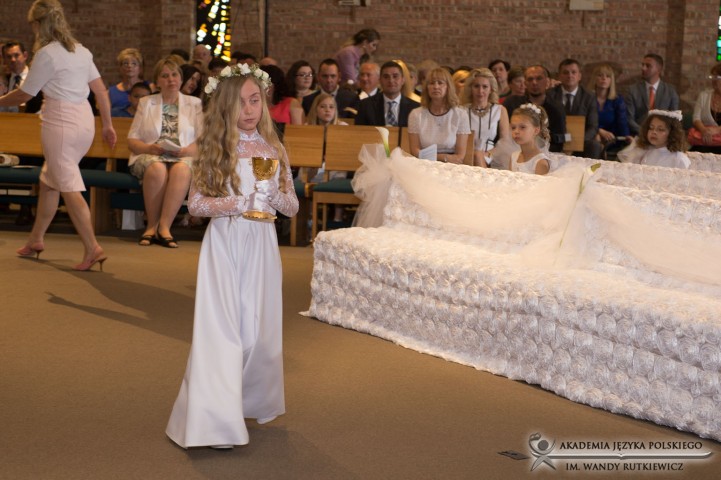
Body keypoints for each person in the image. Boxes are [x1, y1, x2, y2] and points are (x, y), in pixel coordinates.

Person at [166, 62, 299, 449]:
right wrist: (241, 202)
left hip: (262, 245)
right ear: (225, 105)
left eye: (255, 100)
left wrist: (271, 196)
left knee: (256, 331)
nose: (249, 109)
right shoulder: (214, 147)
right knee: (222, 331)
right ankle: (215, 421)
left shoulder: (274, 148)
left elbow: (292, 207)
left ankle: (247, 399)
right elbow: (196, 205)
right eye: (240, 103)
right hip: (224, 244)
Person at [0, 0, 116, 270]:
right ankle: (36, 239)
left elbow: (25, 94)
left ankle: (92, 247)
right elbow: (101, 91)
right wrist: (108, 125)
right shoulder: (81, 50)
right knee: (50, 181)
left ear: (39, 24)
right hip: (85, 122)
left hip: (61, 123)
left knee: (68, 185)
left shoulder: (47, 54)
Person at [127, 56, 203, 248]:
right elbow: (132, 139)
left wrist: (187, 150)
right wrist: (149, 148)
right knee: (157, 168)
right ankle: (151, 226)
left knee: (182, 170)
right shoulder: (146, 102)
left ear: (181, 78)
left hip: (183, 155)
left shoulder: (194, 103)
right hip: (151, 154)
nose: (171, 79)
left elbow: (202, 140)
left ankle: (165, 227)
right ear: (157, 82)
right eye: (165, 76)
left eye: (174, 74)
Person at [408, 67, 470, 163]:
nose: (436, 87)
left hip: (451, 165)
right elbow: (415, 151)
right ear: (427, 88)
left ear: (448, 87)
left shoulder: (460, 115)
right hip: (424, 163)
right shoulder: (416, 114)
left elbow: (460, 156)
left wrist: (438, 158)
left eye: (440, 83)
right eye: (432, 83)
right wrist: (443, 157)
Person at [546, 58, 602, 158]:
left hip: (581, 141)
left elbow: (593, 126)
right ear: (559, 76)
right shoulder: (550, 95)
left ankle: (589, 169)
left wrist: (576, 143)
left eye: (573, 72)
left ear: (579, 76)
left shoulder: (589, 96)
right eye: (565, 72)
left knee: (594, 146)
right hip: (557, 141)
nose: (570, 75)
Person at [504, 65, 566, 152]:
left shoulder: (556, 108)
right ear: (525, 83)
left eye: (539, 78)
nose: (534, 82)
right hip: (515, 150)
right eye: (530, 79)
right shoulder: (512, 103)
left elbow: (559, 141)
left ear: (547, 81)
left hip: (548, 152)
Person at [461, 68, 510, 167]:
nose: (480, 91)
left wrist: (487, 155)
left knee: (478, 155)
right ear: (470, 88)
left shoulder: (500, 110)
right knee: (476, 155)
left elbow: (505, 141)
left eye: (485, 87)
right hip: (467, 156)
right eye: (476, 86)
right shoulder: (462, 110)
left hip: (492, 156)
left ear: (491, 89)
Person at [354, 60, 420, 128]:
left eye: (395, 76)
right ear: (380, 80)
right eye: (386, 77)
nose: (391, 80)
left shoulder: (415, 108)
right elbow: (360, 132)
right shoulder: (366, 106)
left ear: (403, 80)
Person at [626, 53, 679, 135]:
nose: (643, 68)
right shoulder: (633, 90)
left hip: (662, 136)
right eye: (643, 65)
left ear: (659, 69)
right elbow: (629, 118)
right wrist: (644, 132)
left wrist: (660, 133)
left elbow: (674, 118)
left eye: (648, 66)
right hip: (638, 134)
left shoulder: (670, 91)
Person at [617, 109, 689, 169]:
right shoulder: (642, 152)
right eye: (651, 128)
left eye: (660, 129)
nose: (654, 132)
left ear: (672, 133)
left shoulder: (678, 159)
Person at [586, 63, 631, 156]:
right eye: (600, 75)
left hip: (611, 138)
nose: (604, 79)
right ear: (594, 79)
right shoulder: (586, 98)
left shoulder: (617, 100)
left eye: (608, 76)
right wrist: (599, 131)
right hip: (590, 136)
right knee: (595, 140)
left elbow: (622, 122)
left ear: (611, 81)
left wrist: (627, 136)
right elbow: (583, 121)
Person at [508, 103, 551, 175]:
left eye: (522, 127)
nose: (516, 131)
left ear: (536, 130)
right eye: (513, 127)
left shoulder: (540, 162)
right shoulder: (514, 157)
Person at [1, 40, 43, 113]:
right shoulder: (3, 81)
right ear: (4, 59)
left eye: (16, 55)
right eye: (9, 56)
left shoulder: (37, 78)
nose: (13, 59)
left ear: (25, 55)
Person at [689, 62, 721, 151]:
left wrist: (717, 130)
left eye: (717, 77)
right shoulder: (704, 95)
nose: (713, 80)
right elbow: (696, 118)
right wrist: (704, 130)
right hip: (704, 140)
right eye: (712, 77)